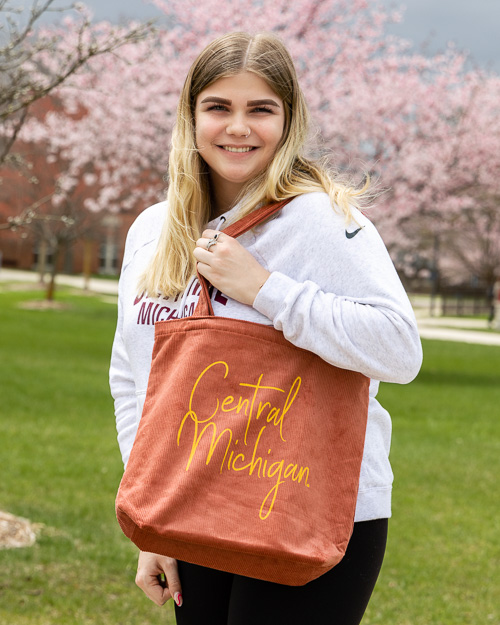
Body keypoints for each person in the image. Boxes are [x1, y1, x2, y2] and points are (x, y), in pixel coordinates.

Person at [109, 31, 423, 625]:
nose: (238, 128)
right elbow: (134, 380)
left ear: (288, 119)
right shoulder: (153, 230)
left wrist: (266, 290)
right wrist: (153, 515)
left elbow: (399, 348)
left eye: (261, 109)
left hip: (310, 504)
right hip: (196, 502)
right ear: (191, 115)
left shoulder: (323, 220)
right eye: (219, 107)